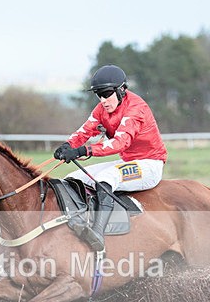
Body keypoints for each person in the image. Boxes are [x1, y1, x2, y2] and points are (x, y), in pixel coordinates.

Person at [54, 64, 168, 252]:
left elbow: (119, 143)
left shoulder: (136, 109)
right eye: (99, 94)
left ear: (121, 90)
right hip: (127, 162)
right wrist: (69, 145)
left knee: (106, 179)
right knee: (73, 178)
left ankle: (97, 233)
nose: (103, 100)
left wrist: (83, 151)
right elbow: (85, 131)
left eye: (107, 93)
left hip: (149, 164)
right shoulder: (101, 109)